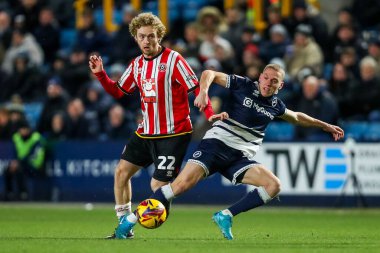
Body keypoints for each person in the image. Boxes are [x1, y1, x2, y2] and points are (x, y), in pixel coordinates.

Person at [114, 63, 345, 240]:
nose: (267, 83)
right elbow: (209, 73)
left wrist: (325, 126)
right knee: (180, 187)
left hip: (239, 157)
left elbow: (296, 117)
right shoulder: (243, 84)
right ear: (260, 77)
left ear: (279, 86)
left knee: (274, 186)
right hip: (216, 144)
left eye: (273, 82)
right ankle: (130, 220)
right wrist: (203, 91)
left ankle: (225, 215)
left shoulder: (276, 106)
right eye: (265, 78)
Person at [88, 12, 216, 239]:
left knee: (157, 184)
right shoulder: (136, 65)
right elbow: (119, 91)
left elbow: (196, 89)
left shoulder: (174, 60)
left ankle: (150, 213)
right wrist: (101, 75)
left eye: (151, 36)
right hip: (147, 131)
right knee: (121, 173)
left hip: (174, 133)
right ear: (136, 38)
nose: (146, 41)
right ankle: (123, 228)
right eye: (141, 37)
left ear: (159, 36)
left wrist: (210, 114)